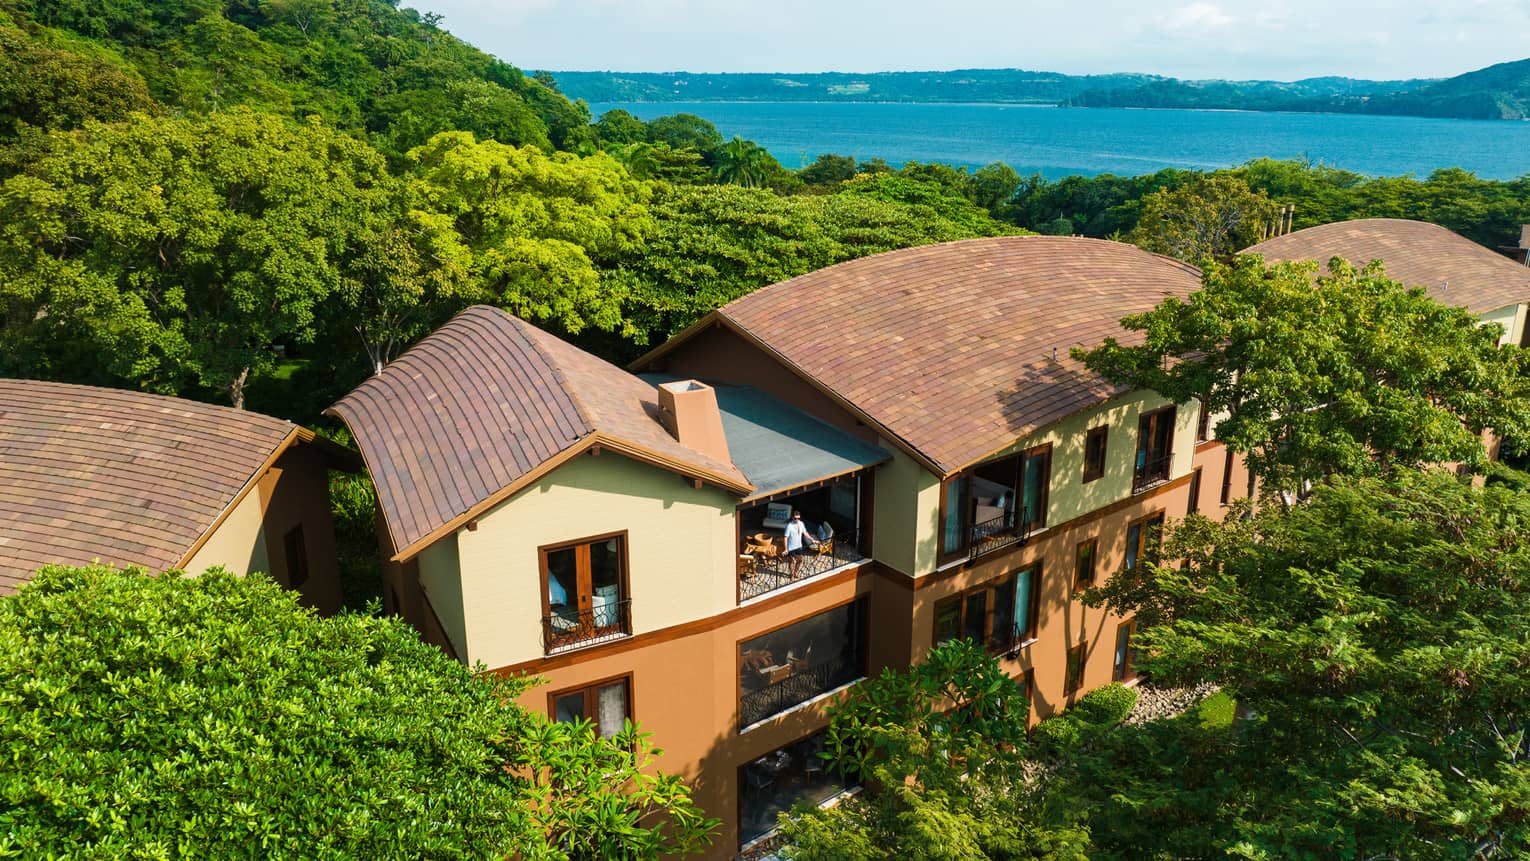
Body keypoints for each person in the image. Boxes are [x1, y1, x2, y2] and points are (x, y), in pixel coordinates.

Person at [783, 510, 814, 578]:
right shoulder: (789, 526)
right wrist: (786, 549)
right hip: (791, 547)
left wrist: (812, 540)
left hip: (799, 546)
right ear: (792, 517)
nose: (797, 520)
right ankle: (791, 575)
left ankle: (795, 573)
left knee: (800, 560)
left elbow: (805, 533)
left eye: (798, 518)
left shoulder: (801, 523)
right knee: (792, 561)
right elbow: (785, 538)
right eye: (795, 518)